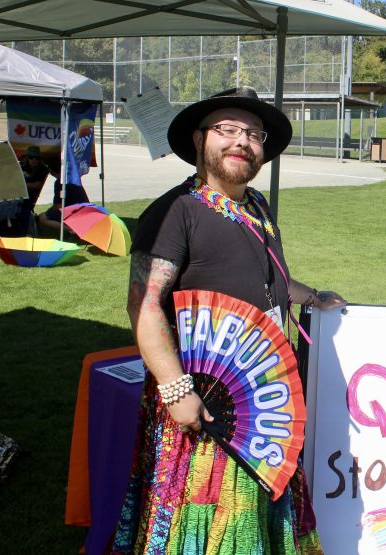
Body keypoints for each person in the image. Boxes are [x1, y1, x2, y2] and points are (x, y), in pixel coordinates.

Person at [113, 87, 345, 555]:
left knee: (259, 515)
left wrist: (311, 296)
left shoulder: (256, 205)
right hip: (204, 404)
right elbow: (145, 304)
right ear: (200, 140)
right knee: (207, 522)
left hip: (262, 399)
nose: (242, 142)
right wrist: (177, 389)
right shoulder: (174, 211)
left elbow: (265, 277)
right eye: (227, 130)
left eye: (253, 134)